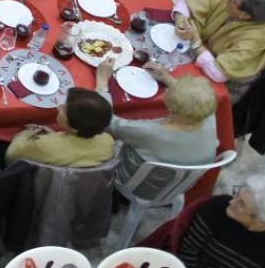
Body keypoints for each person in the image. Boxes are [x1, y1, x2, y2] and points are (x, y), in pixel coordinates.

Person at [93, 67, 219, 198]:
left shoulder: (151, 131)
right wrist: (168, 79)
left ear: (172, 109)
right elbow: (195, 100)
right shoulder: (207, 113)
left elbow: (108, 122)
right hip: (179, 185)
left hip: (139, 184)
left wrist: (102, 82)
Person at [175, 0, 265, 93]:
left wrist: (196, 42)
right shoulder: (232, 1)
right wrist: (181, 19)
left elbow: (218, 73)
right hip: (205, 52)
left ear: (245, 15)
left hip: (228, 83)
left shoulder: (256, 39)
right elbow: (187, 4)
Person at [171, 176, 265, 268]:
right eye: (237, 195)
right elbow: (188, 251)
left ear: (260, 220)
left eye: (241, 204)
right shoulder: (218, 207)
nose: (231, 202)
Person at [4, 87, 115, 167]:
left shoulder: (44, 145)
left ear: (75, 128)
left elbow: (11, 157)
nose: (58, 107)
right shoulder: (108, 141)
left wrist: (25, 134)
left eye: (64, 109)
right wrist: (54, 135)